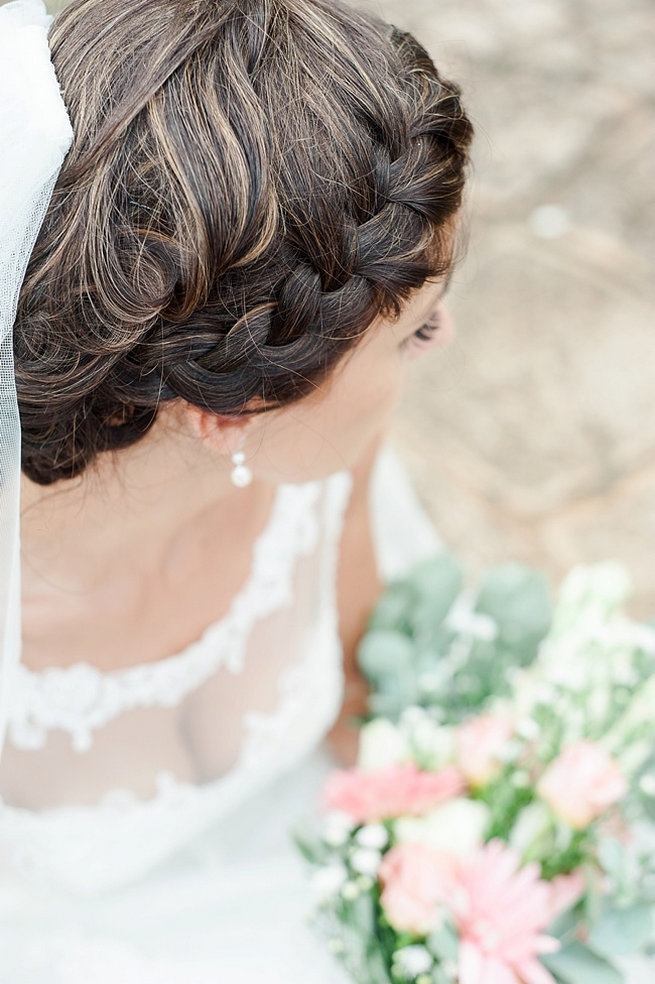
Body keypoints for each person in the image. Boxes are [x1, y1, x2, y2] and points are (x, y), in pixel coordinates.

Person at [0, 0, 472, 979]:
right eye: (416, 330)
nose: (446, 341)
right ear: (236, 408)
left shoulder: (327, 457)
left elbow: (358, 687)